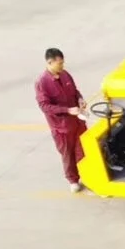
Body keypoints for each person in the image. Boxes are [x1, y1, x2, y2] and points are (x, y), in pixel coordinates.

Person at [36, 48, 88, 193]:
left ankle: (88, 175)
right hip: (62, 127)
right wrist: (67, 110)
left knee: (84, 149)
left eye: (63, 63)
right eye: (59, 64)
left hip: (77, 122)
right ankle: (73, 179)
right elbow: (44, 106)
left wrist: (80, 98)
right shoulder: (42, 82)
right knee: (68, 154)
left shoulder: (65, 75)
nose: (62, 66)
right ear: (50, 62)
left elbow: (75, 90)